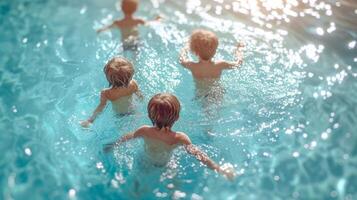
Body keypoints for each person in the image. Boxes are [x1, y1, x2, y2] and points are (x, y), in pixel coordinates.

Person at [103, 93, 236, 179]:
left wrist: (112, 145)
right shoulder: (179, 138)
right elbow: (199, 155)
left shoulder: (144, 131)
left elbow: (127, 137)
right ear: (177, 117)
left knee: (138, 180)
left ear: (149, 116)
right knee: (173, 179)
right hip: (165, 164)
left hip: (144, 161)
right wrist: (219, 169)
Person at [80, 57, 143, 127]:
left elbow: (101, 106)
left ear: (108, 78)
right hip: (132, 110)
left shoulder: (107, 93)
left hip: (119, 115)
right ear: (130, 76)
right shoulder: (133, 84)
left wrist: (90, 120)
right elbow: (139, 95)